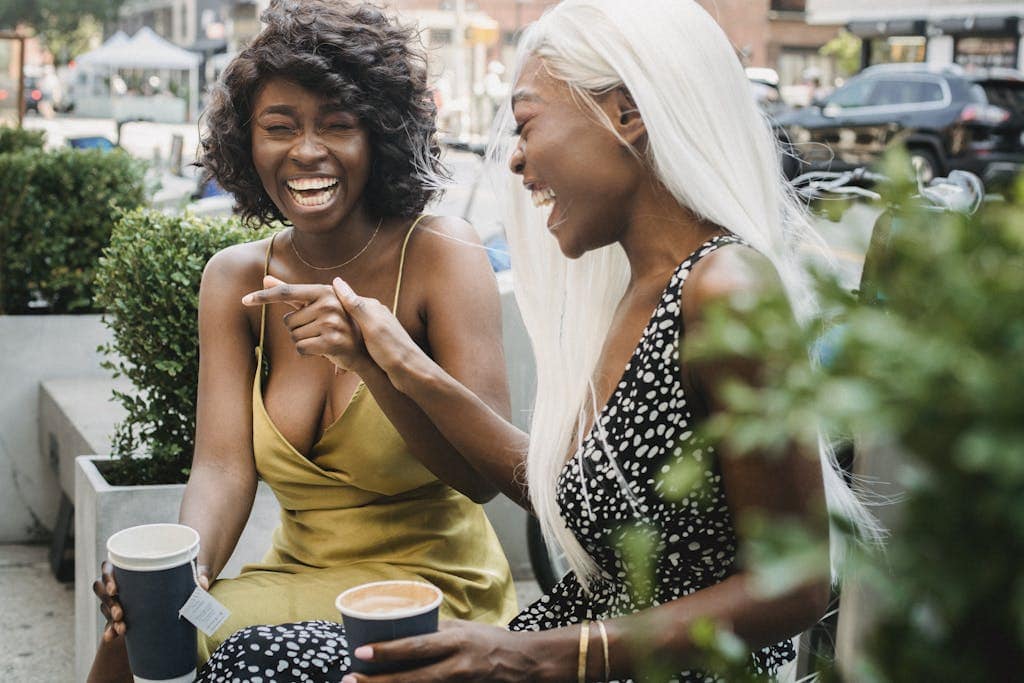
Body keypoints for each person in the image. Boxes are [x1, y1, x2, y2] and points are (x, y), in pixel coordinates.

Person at [199, 0, 879, 680]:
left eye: (526, 124)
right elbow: (560, 490)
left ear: (626, 114)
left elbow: (796, 584)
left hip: (634, 664)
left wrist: (525, 652)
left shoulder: (725, 288)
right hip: (560, 647)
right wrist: (395, 363)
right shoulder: (637, 290)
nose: (517, 162)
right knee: (253, 655)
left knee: (259, 663)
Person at [88, 1, 518, 680]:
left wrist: (377, 365)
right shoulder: (235, 280)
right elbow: (223, 469)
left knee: (244, 662)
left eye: (338, 125)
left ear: (379, 135)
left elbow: (481, 476)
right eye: (279, 128)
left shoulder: (442, 254)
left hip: (425, 589)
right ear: (247, 143)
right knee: (135, 633)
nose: (307, 151)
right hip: (295, 573)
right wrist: (186, 570)